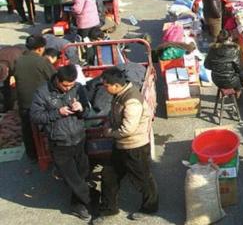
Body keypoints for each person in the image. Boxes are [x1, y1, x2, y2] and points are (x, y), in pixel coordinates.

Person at [95, 67, 158, 223]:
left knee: (142, 178)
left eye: (106, 85)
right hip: (120, 145)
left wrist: (109, 132)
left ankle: (150, 207)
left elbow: (127, 129)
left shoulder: (131, 101)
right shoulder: (119, 95)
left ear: (116, 85)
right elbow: (113, 115)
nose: (105, 88)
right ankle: (109, 209)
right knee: (109, 176)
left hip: (134, 146)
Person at [29, 64, 91, 221]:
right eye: (65, 85)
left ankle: (78, 205)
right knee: (72, 177)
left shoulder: (78, 88)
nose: (67, 88)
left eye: (70, 85)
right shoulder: (43, 93)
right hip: (59, 141)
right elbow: (35, 116)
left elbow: (88, 111)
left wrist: (81, 108)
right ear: (57, 79)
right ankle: (93, 199)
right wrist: (57, 113)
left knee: (82, 172)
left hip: (79, 137)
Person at [13, 35, 55, 160]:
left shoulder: (18, 60)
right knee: (50, 124)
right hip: (40, 103)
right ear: (41, 49)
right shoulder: (42, 62)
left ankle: (32, 154)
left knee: (27, 129)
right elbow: (54, 78)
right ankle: (50, 151)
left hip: (24, 102)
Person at [204, 30, 243, 98]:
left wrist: (217, 66)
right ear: (229, 38)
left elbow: (206, 65)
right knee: (241, 78)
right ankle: (239, 94)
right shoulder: (234, 49)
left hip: (216, 80)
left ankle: (236, 93)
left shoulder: (213, 49)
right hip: (231, 81)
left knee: (238, 76)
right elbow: (238, 69)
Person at [0, 44, 25, 112]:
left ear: (8, 70)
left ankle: (12, 107)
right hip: (8, 52)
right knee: (6, 87)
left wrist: (14, 77)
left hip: (19, 52)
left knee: (14, 87)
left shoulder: (17, 61)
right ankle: (7, 106)